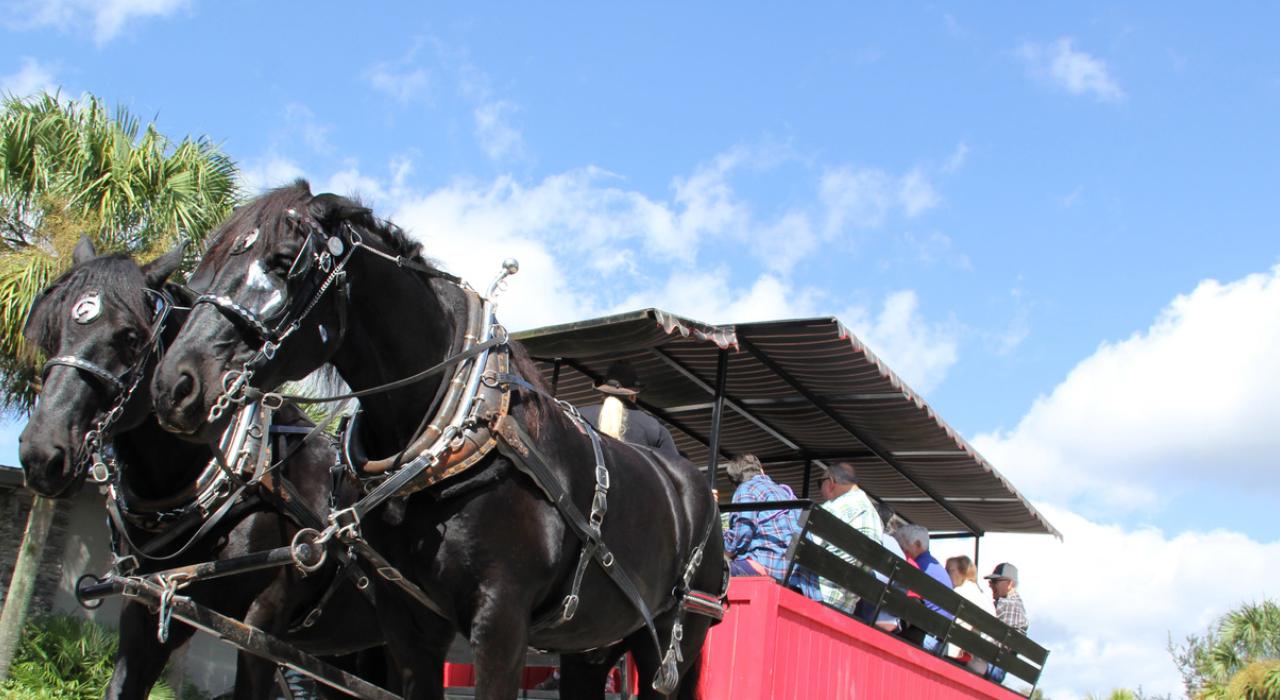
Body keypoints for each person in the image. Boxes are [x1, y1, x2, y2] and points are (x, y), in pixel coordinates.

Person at [722, 454, 820, 600]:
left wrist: (723, 545)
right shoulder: (787, 493)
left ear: (736, 482)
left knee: (707, 571)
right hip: (800, 579)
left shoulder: (746, 489)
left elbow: (742, 534)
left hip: (770, 568)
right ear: (762, 470)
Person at [578, 359, 680, 460]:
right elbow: (676, 467)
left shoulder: (579, 416)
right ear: (632, 396)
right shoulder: (655, 428)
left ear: (603, 393)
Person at [814, 462, 882, 614]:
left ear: (831, 482)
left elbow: (798, 547)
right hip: (846, 608)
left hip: (816, 597)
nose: (820, 491)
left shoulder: (835, 508)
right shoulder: (875, 518)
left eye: (820, 483)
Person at [894, 523, 955, 649]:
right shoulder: (934, 566)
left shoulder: (918, 567)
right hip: (940, 637)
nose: (901, 549)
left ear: (917, 545)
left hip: (928, 637)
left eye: (903, 544)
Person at [945, 555, 994, 673]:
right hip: (983, 663)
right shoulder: (983, 596)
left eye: (950, 570)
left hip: (964, 658)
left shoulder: (961, 591)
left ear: (963, 572)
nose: (946, 574)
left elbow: (953, 629)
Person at [984, 562, 1028, 684]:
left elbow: (994, 642)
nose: (990, 585)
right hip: (998, 665)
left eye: (995, 581)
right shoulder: (1014, 605)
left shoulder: (1008, 604)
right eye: (990, 582)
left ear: (1009, 583)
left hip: (993, 666)